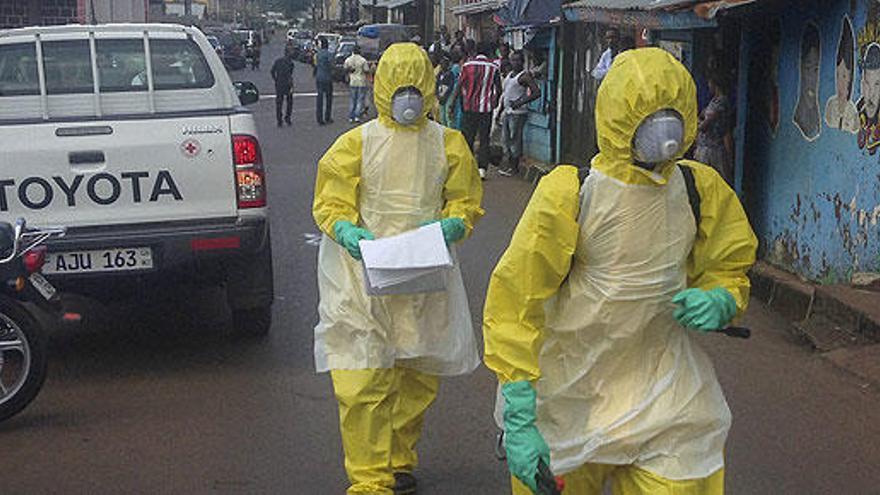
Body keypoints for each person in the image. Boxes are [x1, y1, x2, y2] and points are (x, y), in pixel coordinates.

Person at [483, 48, 757, 495]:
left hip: (664, 391)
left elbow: (729, 261)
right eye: (646, 114)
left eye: (671, 113)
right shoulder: (571, 192)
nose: (663, 128)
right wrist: (518, 410)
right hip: (573, 392)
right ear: (615, 116)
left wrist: (722, 297)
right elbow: (517, 299)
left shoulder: (698, 188)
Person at [312, 43, 484, 495]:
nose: (408, 96)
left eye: (416, 87)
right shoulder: (355, 143)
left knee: (415, 373)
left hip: (423, 273)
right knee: (361, 374)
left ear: (427, 87)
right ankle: (369, 479)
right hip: (360, 276)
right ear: (382, 85)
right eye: (400, 87)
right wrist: (347, 231)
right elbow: (330, 201)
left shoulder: (448, 143)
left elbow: (465, 199)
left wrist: (454, 223)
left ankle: (397, 460)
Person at [455, 40, 501, 179]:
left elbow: (459, 85)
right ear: (488, 53)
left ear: (475, 51)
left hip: (469, 107)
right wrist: (494, 103)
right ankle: (482, 169)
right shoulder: (494, 67)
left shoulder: (467, 65)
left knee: (468, 137)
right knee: (484, 139)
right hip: (486, 109)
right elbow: (498, 89)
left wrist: (454, 103)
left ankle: (468, 167)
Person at [496, 51, 540, 177]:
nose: (515, 63)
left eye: (518, 60)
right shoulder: (510, 74)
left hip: (518, 113)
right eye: (513, 60)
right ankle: (510, 165)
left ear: (522, 62)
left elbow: (536, 92)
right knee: (505, 140)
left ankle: (514, 168)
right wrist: (500, 111)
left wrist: (520, 102)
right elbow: (506, 94)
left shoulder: (524, 76)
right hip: (508, 112)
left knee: (515, 140)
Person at [694, 75, 733, 184]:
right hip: (705, 146)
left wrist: (697, 125)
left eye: (710, 84)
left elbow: (705, 124)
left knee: (719, 180)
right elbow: (702, 115)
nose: (708, 86)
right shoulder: (713, 101)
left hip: (714, 148)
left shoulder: (722, 101)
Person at [825, 18, 858, 134]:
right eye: (838, 75)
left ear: (850, 78)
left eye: (844, 76)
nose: (840, 82)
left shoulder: (853, 112)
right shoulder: (830, 106)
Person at [270, 46, 296, 127]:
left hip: (279, 83)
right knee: (289, 101)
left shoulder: (278, 61)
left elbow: (272, 71)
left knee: (279, 102)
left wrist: (276, 79)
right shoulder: (291, 63)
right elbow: (290, 74)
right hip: (287, 84)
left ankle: (279, 120)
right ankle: (287, 118)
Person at [344, 45, 370, 123]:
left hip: (352, 81)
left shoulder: (348, 59)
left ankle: (351, 117)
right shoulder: (363, 60)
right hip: (361, 81)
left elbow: (345, 68)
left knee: (352, 100)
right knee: (359, 100)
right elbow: (366, 70)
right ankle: (357, 116)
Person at [314, 37, 334, 125]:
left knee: (320, 98)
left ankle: (319, 118)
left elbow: (315, 64)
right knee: (329, 98)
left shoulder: (318, 54)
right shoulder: (329, 54)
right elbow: (331, 65)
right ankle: (327, 117)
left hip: (319, 76)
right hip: (327, 77)